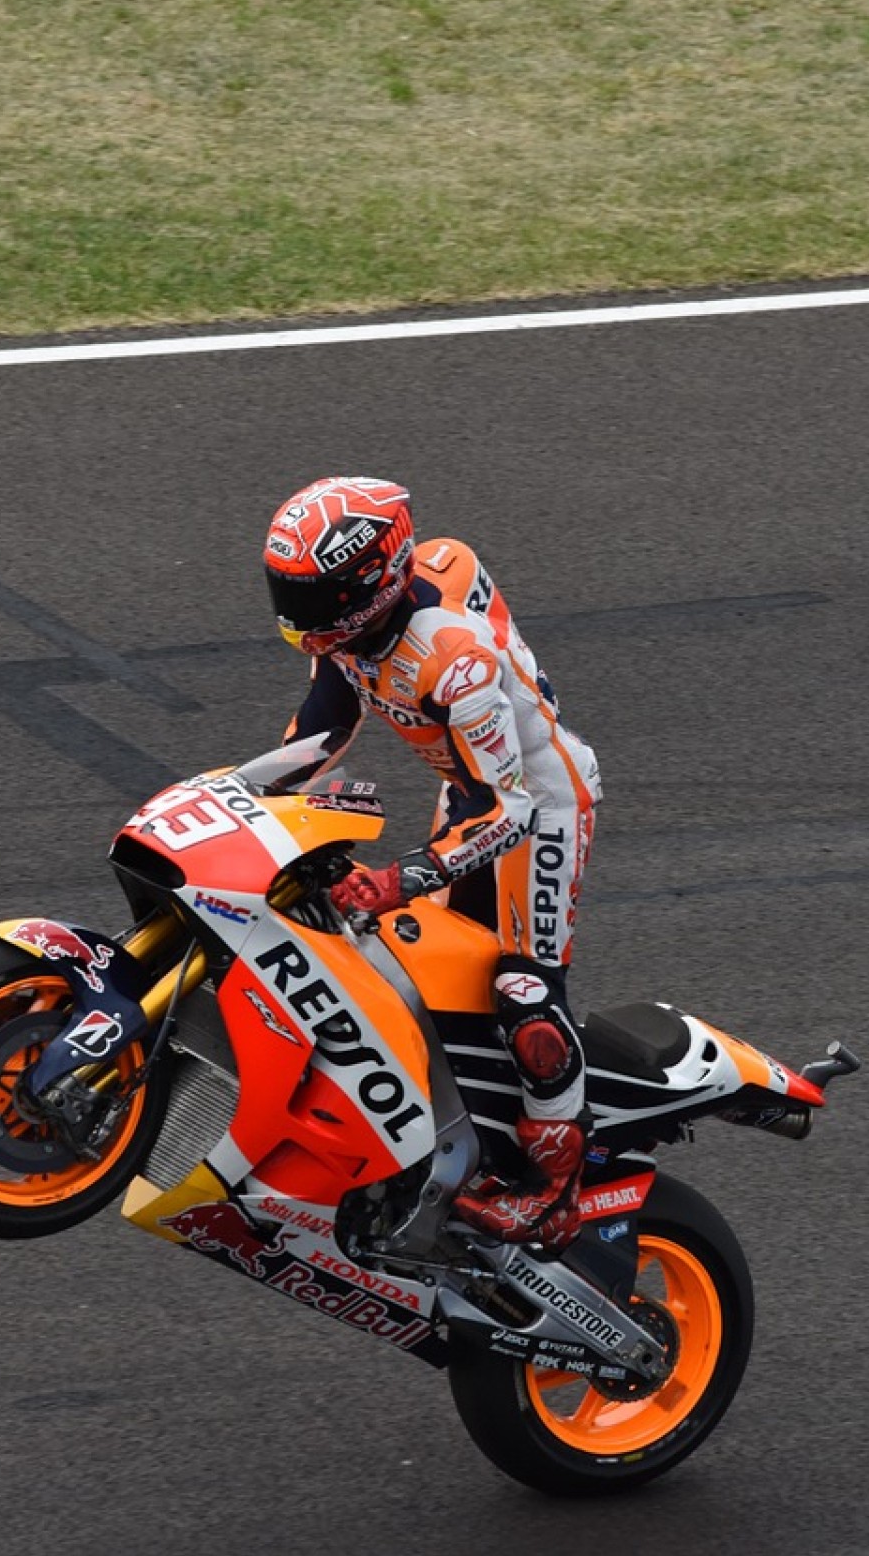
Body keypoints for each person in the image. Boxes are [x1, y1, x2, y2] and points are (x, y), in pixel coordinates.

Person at [262, 475, 603, 1247]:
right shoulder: (348, 633)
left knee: (519, 987)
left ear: (372, 581)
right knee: (418, 968)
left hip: (538, 801)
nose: (299, 617)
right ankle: (454, 1132)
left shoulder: (453, 662)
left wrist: (398, 879)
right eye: (289, 594)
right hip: (471, 790)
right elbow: (321, 727)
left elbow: (507, 810)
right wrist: (248, 798)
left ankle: (557, 1188)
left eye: (313, 598)